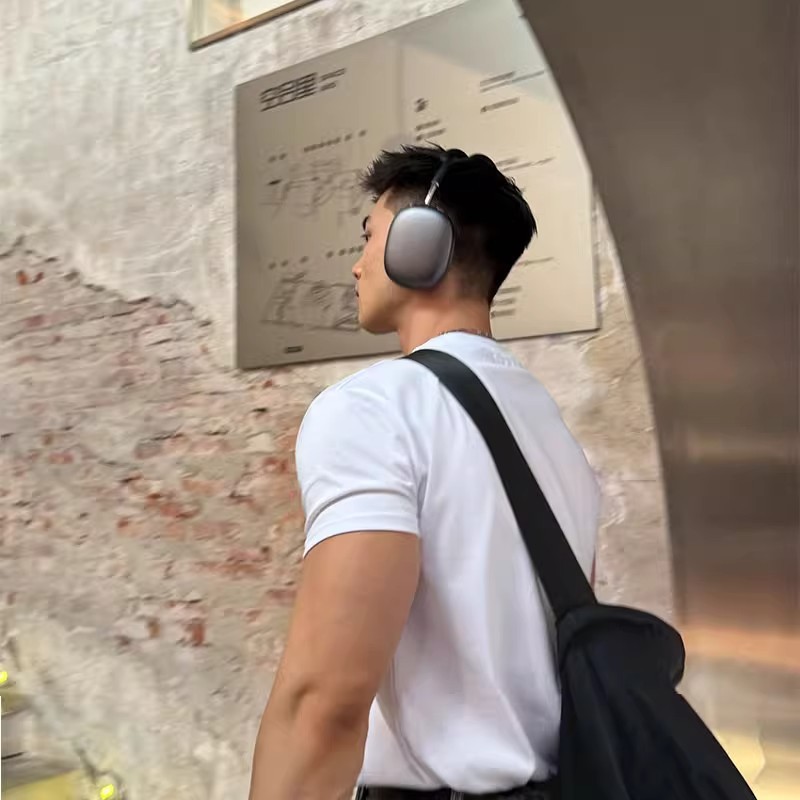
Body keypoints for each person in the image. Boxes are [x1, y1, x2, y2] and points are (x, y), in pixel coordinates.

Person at [248, 144, 599, 800]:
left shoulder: (374, 408)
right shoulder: (554, 434)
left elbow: (325, 701)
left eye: (370, 236)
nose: (356, 264)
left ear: (420, 245)